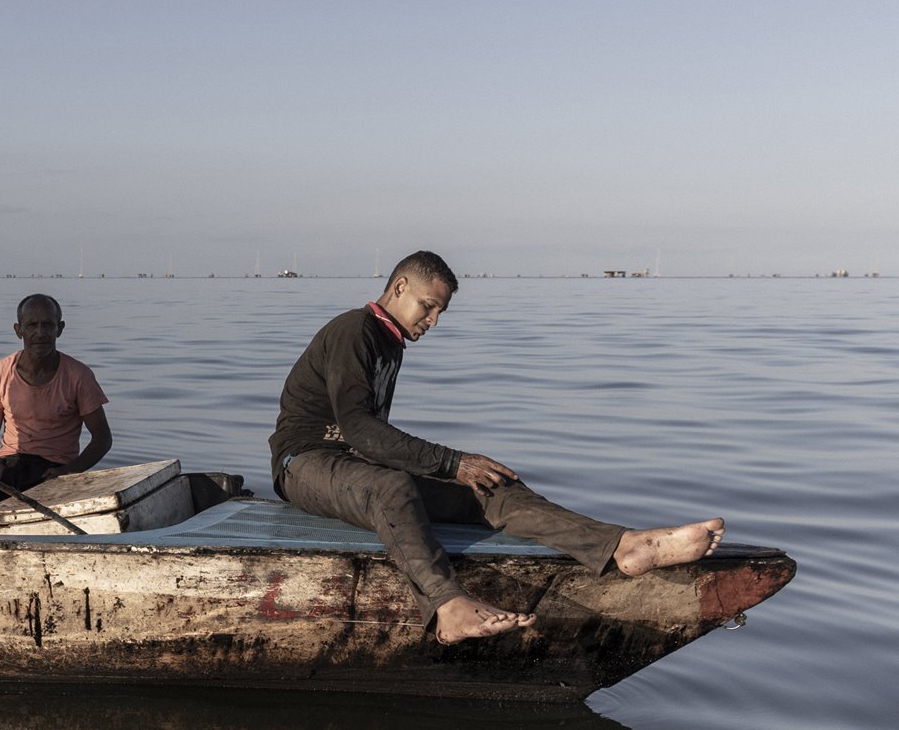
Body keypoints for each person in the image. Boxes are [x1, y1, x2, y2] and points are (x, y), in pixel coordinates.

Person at [269, 251, 724, 644]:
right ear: (399, 286)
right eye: (428, 307)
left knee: (494, 485)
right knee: (391, 488)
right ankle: (447, 607)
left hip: (352, 462)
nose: (433, 321)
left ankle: (621, 545)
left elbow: (368, 440)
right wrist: (451, 462)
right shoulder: (356, 329)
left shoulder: (391, 344)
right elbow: (359, 429)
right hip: (303, 462)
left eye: (440, 313)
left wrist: (460, 469)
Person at [0, 294, 112, 533]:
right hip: (9, 466)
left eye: (48, 325)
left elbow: (102, 438)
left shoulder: (79, 376)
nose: (40, 333)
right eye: (32, 325)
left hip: (54, 470)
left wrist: (69, 471)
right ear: (18, 330)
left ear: (59, 329)